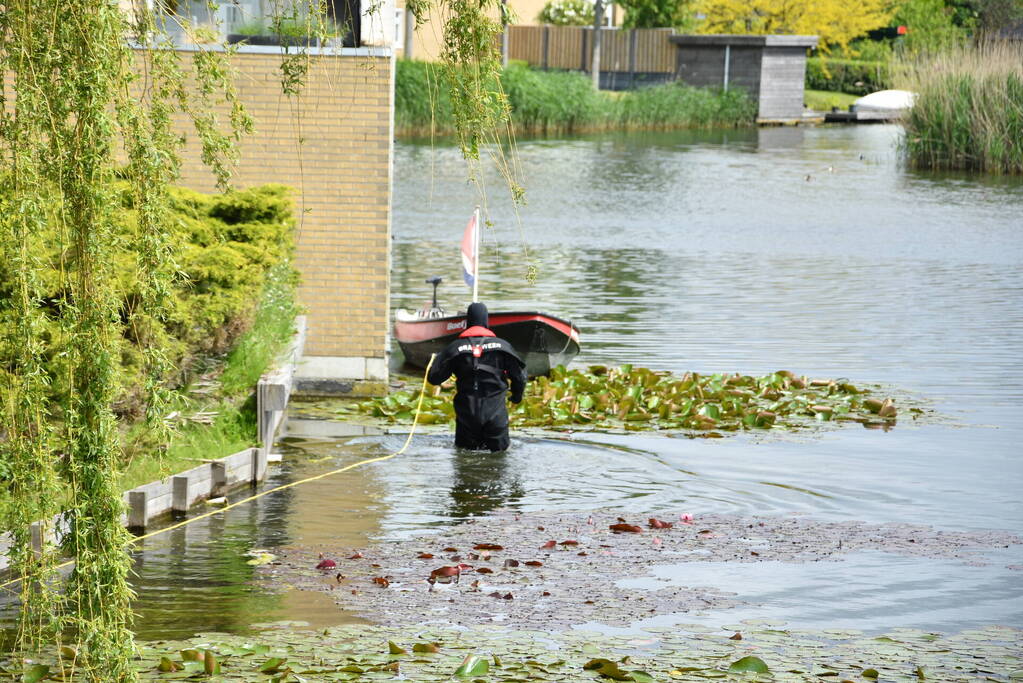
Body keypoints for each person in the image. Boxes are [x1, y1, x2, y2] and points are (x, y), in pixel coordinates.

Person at [427, 302, 527, 452]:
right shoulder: (503, 347)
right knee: (499, 461)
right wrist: (516, 396)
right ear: (486, 321)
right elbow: (519, 377)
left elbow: (434, 378)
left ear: (468, 321)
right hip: (495, 416)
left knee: (465, 462)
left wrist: (438, 359)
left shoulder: (455, 348)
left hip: (467, 417)